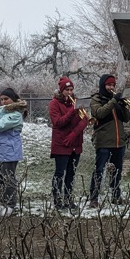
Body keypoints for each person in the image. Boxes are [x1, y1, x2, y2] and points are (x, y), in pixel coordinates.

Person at [89, 74, 130, 208]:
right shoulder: (96, 99)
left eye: (113, 85)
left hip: (118, 141)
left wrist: (124, 105)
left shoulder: (116, 100)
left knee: (117, 171)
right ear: (103, 85)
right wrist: (113, 101)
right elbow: (99, 113)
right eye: (109, 85)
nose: (111, 87)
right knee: (99, 170)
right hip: (103, 141)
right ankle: (94, 198)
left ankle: (116, 195)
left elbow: (126, 119)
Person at [49, 77, 90, 210]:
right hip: (61, 143)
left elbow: (85, 120)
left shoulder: (77, 102)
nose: (70, 92)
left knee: (71, 173)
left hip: (75, 143)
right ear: (61, 91)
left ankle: (68, 199)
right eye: (67, 90)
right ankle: (57, 200)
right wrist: (72, 111)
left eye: (71, 89)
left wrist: (74, 134)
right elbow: (59, 122)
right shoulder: (54, 103)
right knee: (60, 173)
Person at [0, 87, 28, 216]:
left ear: (13, 99)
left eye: (6, 99)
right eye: (1, 100)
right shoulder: (2, 111)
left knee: (8, 178)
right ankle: (2, 203)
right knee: (0, 178)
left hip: (10, 151)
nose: (3, 102)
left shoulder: (17, 114)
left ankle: (10, 204)